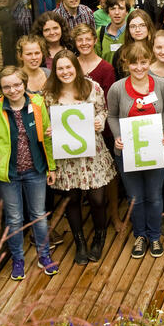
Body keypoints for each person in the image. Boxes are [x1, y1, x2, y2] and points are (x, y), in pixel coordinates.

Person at [0, 66, 58, 280]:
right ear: (1, 89)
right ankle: (17, 260)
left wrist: (51, 166)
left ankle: (44, 256)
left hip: (36, 170)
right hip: (8, 174)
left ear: (24, 84)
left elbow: (47, 138)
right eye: (7, 87)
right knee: (14, 219)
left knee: (39, 216)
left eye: (17, 85)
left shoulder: (37, 103)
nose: (13, 90)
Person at [43, 51, 117, 264]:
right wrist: (49, 130)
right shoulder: (49, 94)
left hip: (92, 153)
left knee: (97, 199)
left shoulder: (92, 87)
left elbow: (103, 111)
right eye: (60, 68)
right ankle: (80, 243)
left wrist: (99, 120)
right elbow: (46, 122)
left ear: (76, 67)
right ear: (55, 71)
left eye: (69, 67)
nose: (65, 72)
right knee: (72, 199)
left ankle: (99, 237)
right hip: (66, 157)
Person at [107, 42, 164, 259]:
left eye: (144, 62)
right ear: (126, 63)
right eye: (134, 63)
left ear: (150, 62)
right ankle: (140, 236)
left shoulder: (161, 85)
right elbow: (112, 116)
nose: (139, 67)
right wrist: (117, 136)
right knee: (135, 197)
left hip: (157, 150)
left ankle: (154, 236)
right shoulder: (117, 88)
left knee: (154, 196)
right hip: (128, 152)